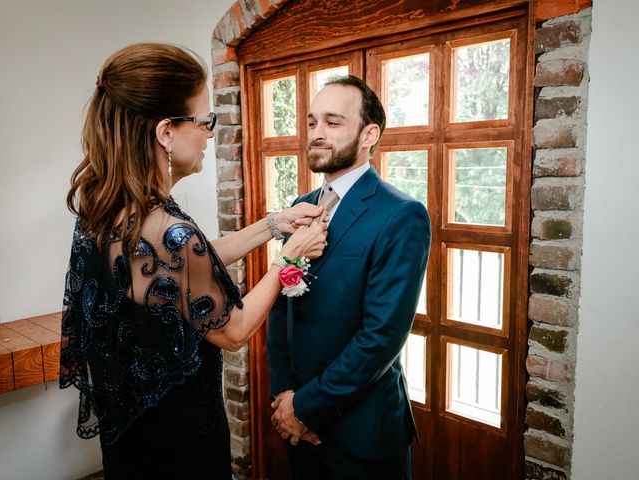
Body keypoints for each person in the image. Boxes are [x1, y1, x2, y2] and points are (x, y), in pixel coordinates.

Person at [60, 43, 327, 479]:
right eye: (206, 122)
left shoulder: (110, 207)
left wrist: (272, 225)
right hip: (179, 436)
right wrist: (287, 260)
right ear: (166, 132)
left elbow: (179, 270)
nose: (209, 134)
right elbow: (235, 330)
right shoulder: (168, 230)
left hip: (132, 433)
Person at [267, 75, 431, 480]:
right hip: (295, 424)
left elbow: (381, 338)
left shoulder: (401, 214)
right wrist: (285, 396)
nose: (317, 134)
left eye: (332, 122)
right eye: (311, 122)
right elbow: (282, 307)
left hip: (361, 433)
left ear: (368, 134)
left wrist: (307, 407)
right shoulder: (301, 206)